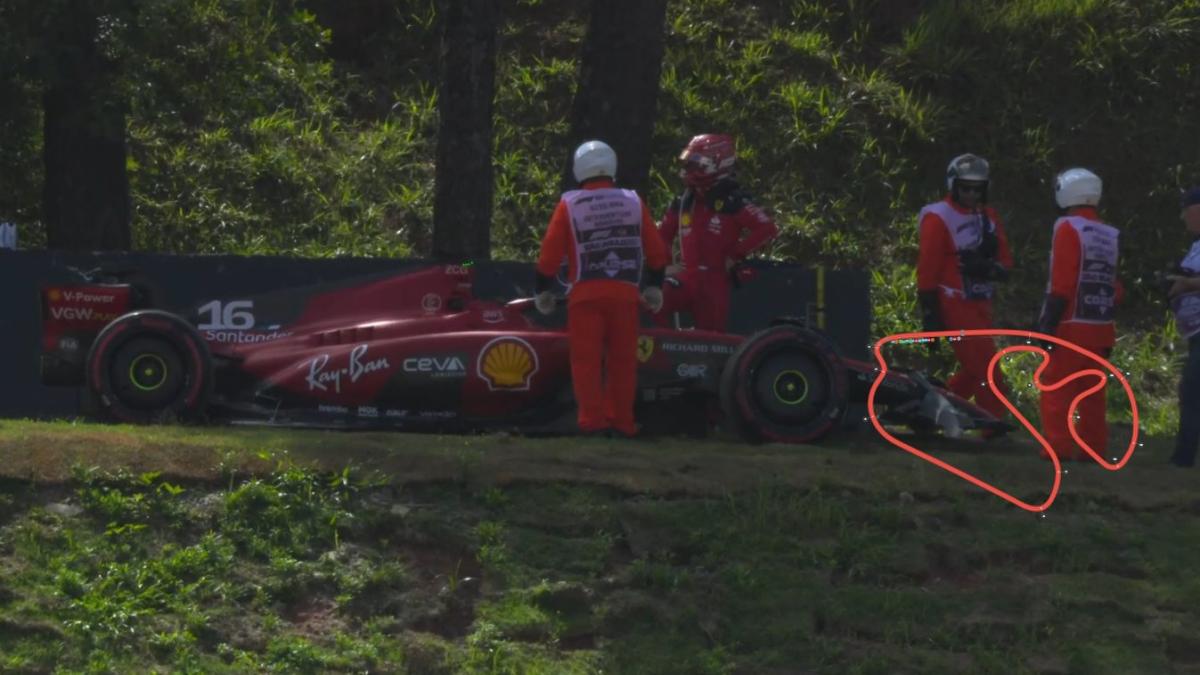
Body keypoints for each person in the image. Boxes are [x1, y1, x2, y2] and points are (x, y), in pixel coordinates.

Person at [534, 140, 669, 438]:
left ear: (578, 169)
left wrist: (543, 288)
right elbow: (657, 252)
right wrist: (655, 286)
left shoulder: (570, 204)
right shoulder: (633, 201)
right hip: (625, 296)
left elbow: (549, 256)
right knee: (623, 362)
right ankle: (622, 422)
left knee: (586, 362)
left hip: (585, 296)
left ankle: (592, 424)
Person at [916, 153, 1014, 429]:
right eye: (965, 188)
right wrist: (930, 313)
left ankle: (930, 412)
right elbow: (927, 269)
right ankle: (992, 423)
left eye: (977, 188)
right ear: (953, 185)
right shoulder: (938, 216)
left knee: (974, 371)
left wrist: (986, 267)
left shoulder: (989, 218)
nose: (971, 194)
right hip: (953, 303)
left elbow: (1006, 264)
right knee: (987, 369)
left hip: (981, 304)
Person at [1033, 168, 1123, 461]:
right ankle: (1094, 448)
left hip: (1071, 323)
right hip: (1101, 325)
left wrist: (1047, 324)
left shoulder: (1068, 227)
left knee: (1056, 387)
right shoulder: (1109, 233)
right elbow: (1114, 286)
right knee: (1092, 391)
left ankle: (1057, 447)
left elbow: (1062, 281)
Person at [653, 134, 778, 333]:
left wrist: (735, 255)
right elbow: (661, 237)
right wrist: (665, 266)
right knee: (654, 298)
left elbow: (767, 229)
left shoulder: (733, 201)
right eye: (689, 163)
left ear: (718, 163)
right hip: (688, 276)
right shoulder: (684, 202)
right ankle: (663, 352)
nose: (689, 169)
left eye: (697, 164)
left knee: (710, 340)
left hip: (715, 281)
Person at [1166, 186, 1200, 467]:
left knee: (1191, 388)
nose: (1182, 217)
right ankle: (1183, 456)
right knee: (1190, 390)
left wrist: (1187, 284)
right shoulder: (1196, 244)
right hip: (1194, 332)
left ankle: (1183, 458)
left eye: (1186, 209)